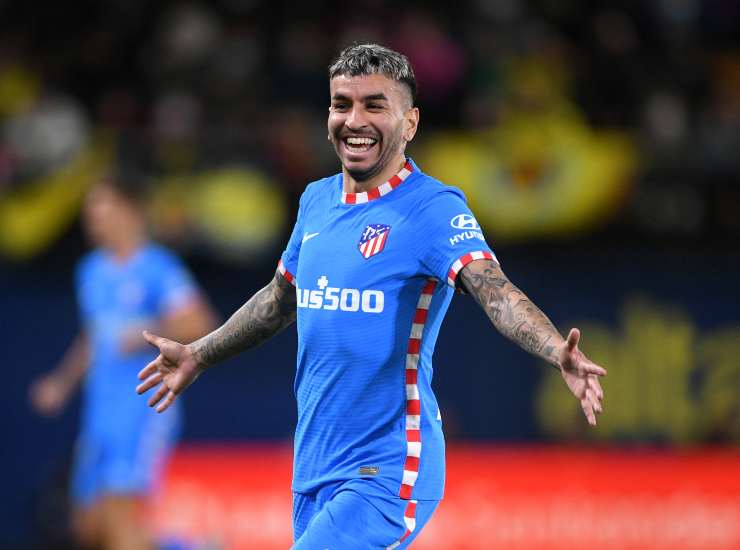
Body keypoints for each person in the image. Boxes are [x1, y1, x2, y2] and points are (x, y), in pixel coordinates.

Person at [136, 44, 606, 549]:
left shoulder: (432, 208)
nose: (353, 120)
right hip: (315, 468)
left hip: (387, 468)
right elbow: (279, 301)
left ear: (410, 123)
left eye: (374, 105)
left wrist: (554, 348)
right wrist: (200, 353)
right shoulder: (316, 200)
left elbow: (495, 291)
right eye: (342, 104)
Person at [30, 175, 217, 550]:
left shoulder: (157, 267)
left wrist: (148, 328)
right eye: (89, 213)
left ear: (130, 212)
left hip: (142, 406)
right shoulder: (91, 272)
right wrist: (62, 383)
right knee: (88, 525)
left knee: (121, 514)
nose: (93, 220)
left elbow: (200, 322)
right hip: (100, 410)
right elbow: (94, 336)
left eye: (102, 209)